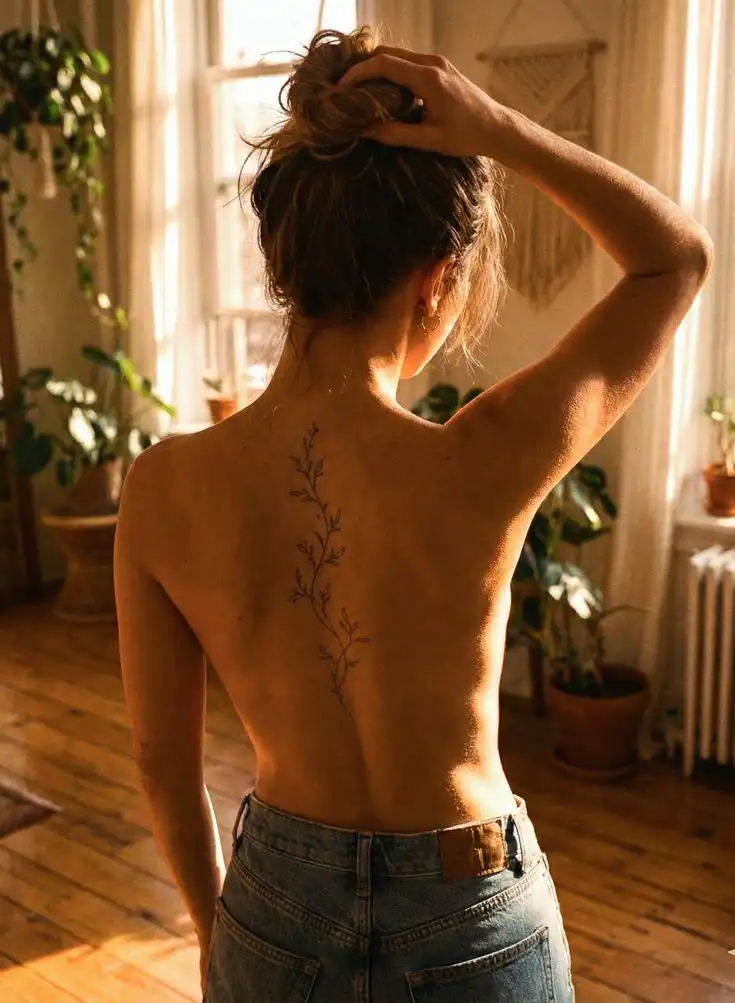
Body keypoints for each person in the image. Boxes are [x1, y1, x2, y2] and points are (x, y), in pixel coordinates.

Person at [114, 26, 712, 1003]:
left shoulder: (163, 487)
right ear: (439, 275)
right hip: (468, 898)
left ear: (285, 260)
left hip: (277, 909)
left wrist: (219, 928)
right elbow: (674, 258)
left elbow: (160, 760)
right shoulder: (485, 457)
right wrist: (503, 131)